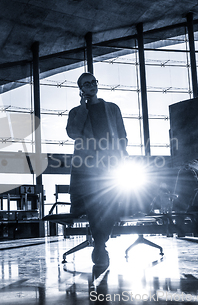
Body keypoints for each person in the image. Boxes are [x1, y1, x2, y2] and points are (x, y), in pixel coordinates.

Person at [66, 72, 128, 267]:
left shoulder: (112, 108)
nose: (92, 85)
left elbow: (122, 135)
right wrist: (84, 107)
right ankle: (100, 244)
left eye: (93, 82)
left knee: (112, 200)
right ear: (81, 89)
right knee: (93, 202)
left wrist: (122, 155)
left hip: (110, 164)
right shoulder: (76, 112)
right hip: (87, 167)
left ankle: (100, 244)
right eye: (87, 83)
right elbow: (73, 132)